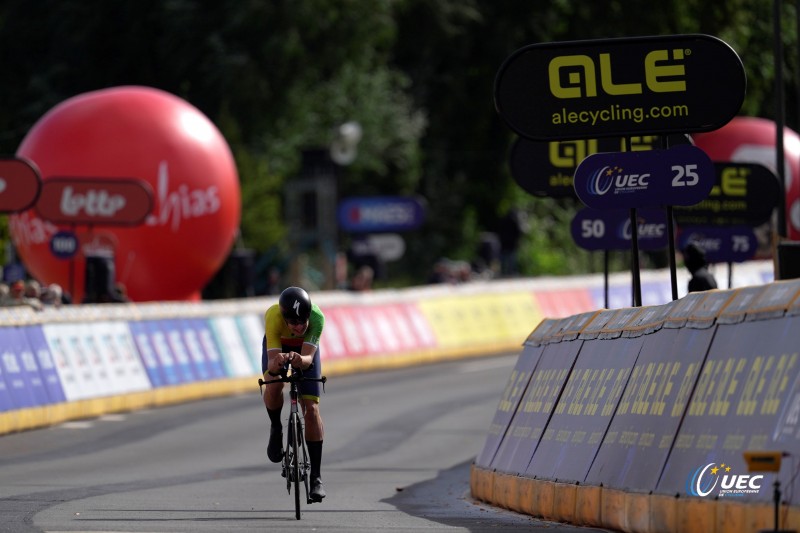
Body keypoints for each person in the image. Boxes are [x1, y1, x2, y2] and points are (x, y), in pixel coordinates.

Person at [262, 286, 327, 502]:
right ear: (285, 319)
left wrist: (300, 360)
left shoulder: (317, 317)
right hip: (279, 347)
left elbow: (308, 358)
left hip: (305, 352)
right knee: (273, 384)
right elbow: (272, 365)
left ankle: (316, 477)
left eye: (303, 322)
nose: (299, 327)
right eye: (294, 323)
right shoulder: (273, 316)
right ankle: (276, 426)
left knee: (312, 409)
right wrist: (278, 363)